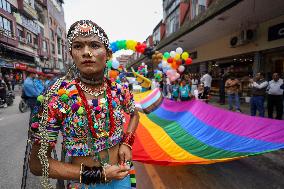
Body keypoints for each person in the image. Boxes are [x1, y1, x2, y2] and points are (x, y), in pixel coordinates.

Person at [29, 20, 140, 189]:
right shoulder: (57, 96)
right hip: (84, 185)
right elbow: (37, 164)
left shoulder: (119, 90)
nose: (86, 52)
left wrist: (127, 142)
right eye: (78, 46)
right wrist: (98, 174)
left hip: (122, 177)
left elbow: (134, 114)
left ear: (108, 54)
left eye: (94, 45)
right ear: (71, 53)